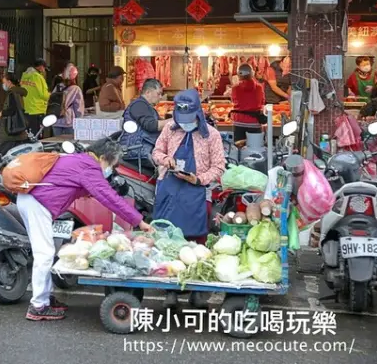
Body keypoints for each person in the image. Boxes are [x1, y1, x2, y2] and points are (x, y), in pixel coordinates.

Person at [18, 138, 152, 321]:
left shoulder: (81, 160)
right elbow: (109, 198)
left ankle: (45, 298)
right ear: (103, 158)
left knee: (45, 252)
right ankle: (38, 306)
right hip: (37, 204)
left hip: (32, 201)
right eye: (111, 165)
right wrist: (139, 221)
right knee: (45, 254)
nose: (110, 170)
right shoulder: (89, 167)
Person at [151, 89, 226, 307]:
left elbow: (219, 167)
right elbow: (156, 152)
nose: (184, 123)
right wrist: (166, 160)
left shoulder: (211, 135)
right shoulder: (169, 129)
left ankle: (196, 290)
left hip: (196, 192)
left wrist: (199, 179)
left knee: (196, 244)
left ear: (198, 114)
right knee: (168, 241)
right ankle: (170, 291)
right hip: (169, 189)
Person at [119, 78, 169, 173]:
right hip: (136, 150)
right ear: (148, 92)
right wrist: (175, 120)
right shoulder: (139, 105)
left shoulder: (147, 107)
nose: (160, 97)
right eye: (158, 93)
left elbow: (160, 123)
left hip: (143, 149)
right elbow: (151, 125)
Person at [231, 64, 265, 143]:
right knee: (255, 148)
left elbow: (234, 101)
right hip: (254, 123)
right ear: (252, 74)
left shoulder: (235, 88)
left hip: (238, 122)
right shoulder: (259, 87)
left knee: (238, 149)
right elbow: (262, 102)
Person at [0, 72, 29, 156]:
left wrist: (2, 113)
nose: (3, 85)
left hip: (11, 127)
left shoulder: (12, 93)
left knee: (2, 151)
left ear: (9, 82)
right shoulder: (18, 92)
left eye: (4, 82)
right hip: (18, 126)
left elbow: (12, 109)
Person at [53, 64, 84, 136]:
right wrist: (80, 121)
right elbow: (78, 108)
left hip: (56, 121)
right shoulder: (76, 88)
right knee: (69, 144)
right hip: (68, 122)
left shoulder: (58, 86)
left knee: (58, 144)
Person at [21, 59, 50, 135]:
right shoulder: (37, 77)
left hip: (27, 109)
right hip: (37, 110)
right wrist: (51, 95)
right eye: (44, 68)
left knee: (30, 134)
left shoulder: (24, 76)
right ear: (40, 67)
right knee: (37, 135)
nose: (44, 71)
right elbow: (43, 95)